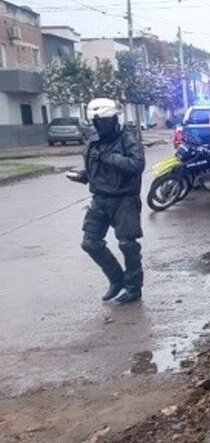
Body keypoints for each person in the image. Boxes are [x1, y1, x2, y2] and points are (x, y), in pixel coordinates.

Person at [69, 98, 146, 304]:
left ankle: (133, 288)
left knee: (128, 244)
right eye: (96, 122)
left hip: (124, 199)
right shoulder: (94, 142)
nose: (98, 125)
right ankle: (116, 279)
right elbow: (95, 169)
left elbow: (136, 165)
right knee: (90, 242)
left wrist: (106, 157)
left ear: (113, 119)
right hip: (100, 198)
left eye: (102, 121)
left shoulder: (127, 139)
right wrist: (84, 175)